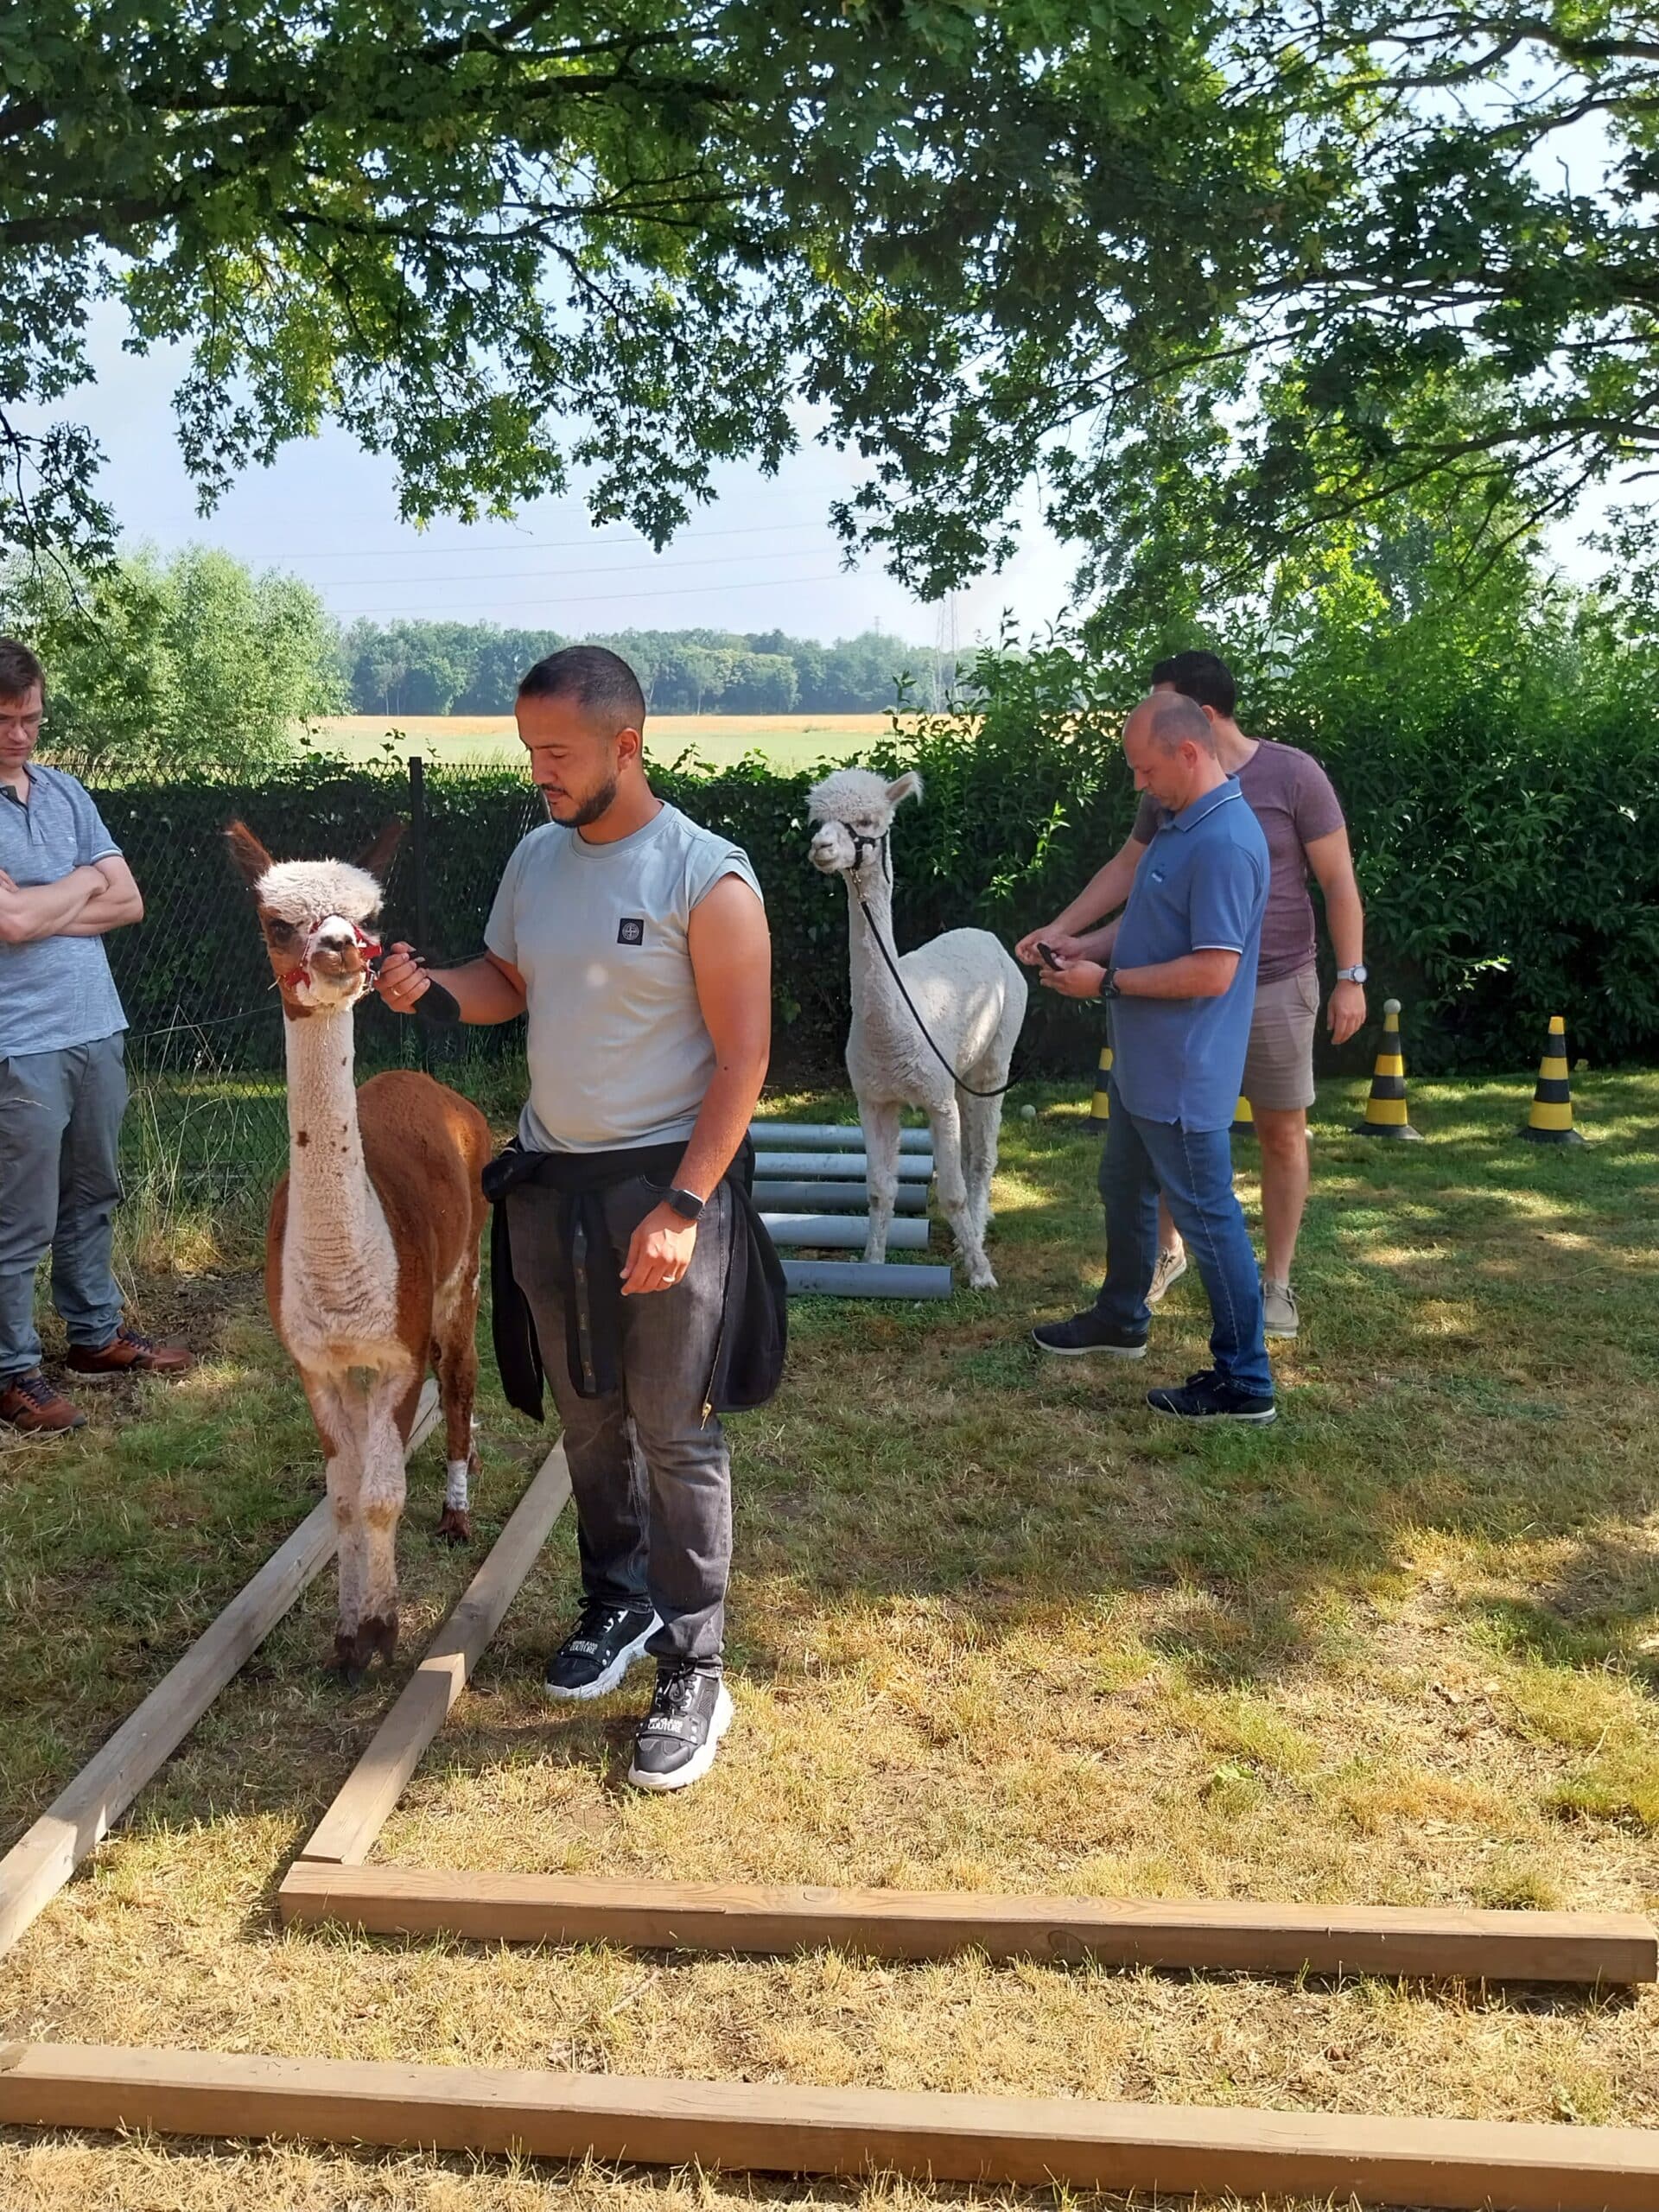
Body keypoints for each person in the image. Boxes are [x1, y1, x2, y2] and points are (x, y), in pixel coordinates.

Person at [376, 645, 772, 1792]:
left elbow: (745, 1059)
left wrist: (685, 1205)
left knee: (674, 1431)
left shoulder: (707, 878)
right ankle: (620, 1602)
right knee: (589, 1420)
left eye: (555, 751)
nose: (537, 770)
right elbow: (509, 980)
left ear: (625, 746)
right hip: (551, 1184)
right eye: (528, 749)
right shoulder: (537, 859)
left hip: (662, 1188)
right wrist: (433, 988)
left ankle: (697, 1665)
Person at [1018, 650, 1365, 1338]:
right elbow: (1136, 875)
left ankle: (1274, 1287)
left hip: (1270, 984)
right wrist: (1067, 933)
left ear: (1195, 725)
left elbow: (1337, 883)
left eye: (1162, 706)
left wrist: (1350, 977)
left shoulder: (1285, 779)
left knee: (1272, 1136)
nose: (1140, 781)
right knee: (1162, 1147)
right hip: (1181, 995)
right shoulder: (1171, 792)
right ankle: (1157, 1265)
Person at [1031, 694, 1275, 1423]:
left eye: (1145, 770)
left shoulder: (1225, 843)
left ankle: (1246, 1382)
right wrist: (1079, 944)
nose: (1139, 785)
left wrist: (1104, 982)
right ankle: (1121, 1317)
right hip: (1144, 1068)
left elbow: (1213, 971)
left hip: (1183, 1075)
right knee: (1123, 1184)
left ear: (1189, 753)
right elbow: (1148, 921)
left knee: (1208, 1222)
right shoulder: (1180, 821)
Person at [0, 639, 192, 1433]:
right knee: (20, 1215)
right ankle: (11, 1370)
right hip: (19, 1043)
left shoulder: (67, 792)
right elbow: (10, 926)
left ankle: (94, 1335)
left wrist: (49, 896)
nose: (20, 735)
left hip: (96, 1026)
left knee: (93, 1193)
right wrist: (83, 885)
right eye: (5, 721)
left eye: (32, 719)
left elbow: (129, 901)